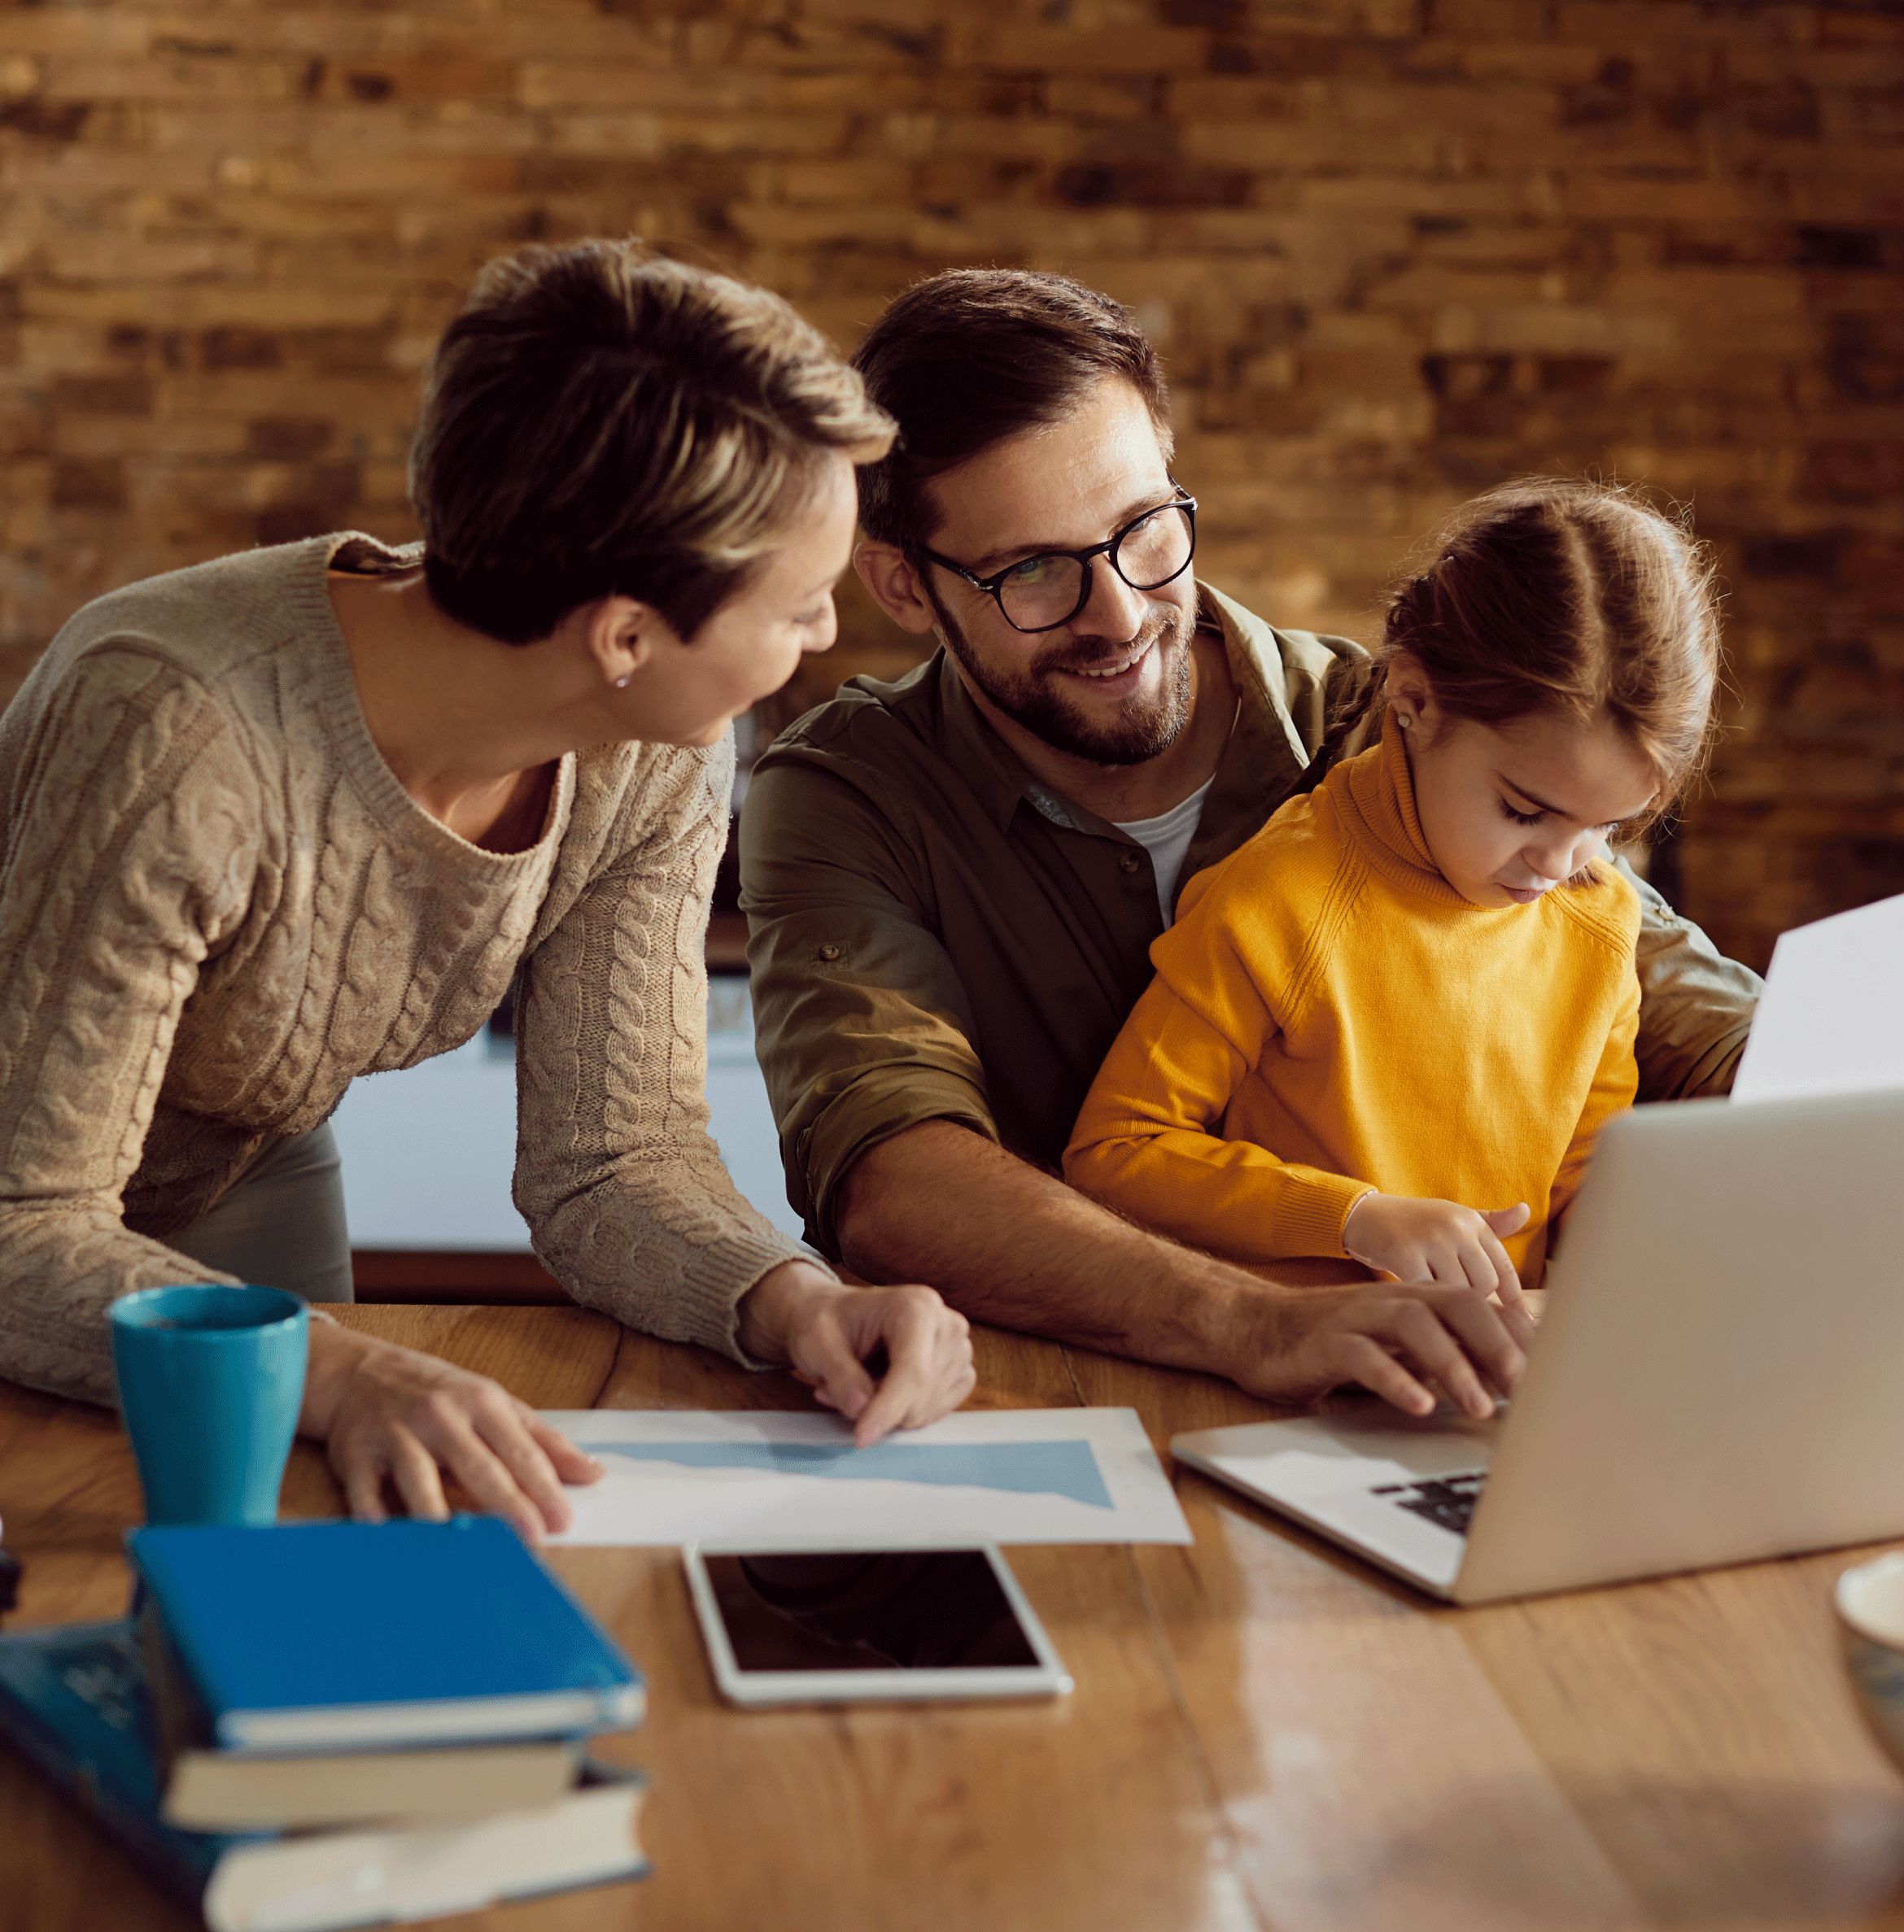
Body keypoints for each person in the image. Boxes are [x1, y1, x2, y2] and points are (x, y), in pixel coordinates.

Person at [0, 241, 973, 1536]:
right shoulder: (179, 727)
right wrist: (339, 1367)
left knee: (320, 1563)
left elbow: (611, 1155)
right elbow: (24, 1217)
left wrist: (793, 1301)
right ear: (624, 634)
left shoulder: (658, 747)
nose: (825, 638)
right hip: (21, 1196)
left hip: (236, 1147)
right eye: (798, 604)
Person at [739, 268, 1758, 1419]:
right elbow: (893, 1174)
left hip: (1431, 1399)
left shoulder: (1390, 726)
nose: (1119, 613)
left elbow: (1691, 1014)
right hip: (1017, 1413)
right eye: (1032, 570)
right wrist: (1252, 1319)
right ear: (902, 587)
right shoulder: (845, 792)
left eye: (1141, 531)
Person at [1062, 482, 1719, 1416]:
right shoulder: (1278, 899)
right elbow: (1114, 1149)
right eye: (1524, 810)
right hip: (1289, 1400)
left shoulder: (1596, 918)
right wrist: (1354, 1217)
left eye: (1609, 825)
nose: (1564, 863)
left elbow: (1582, 1183)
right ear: (1411, 698)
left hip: (1489, 1401)